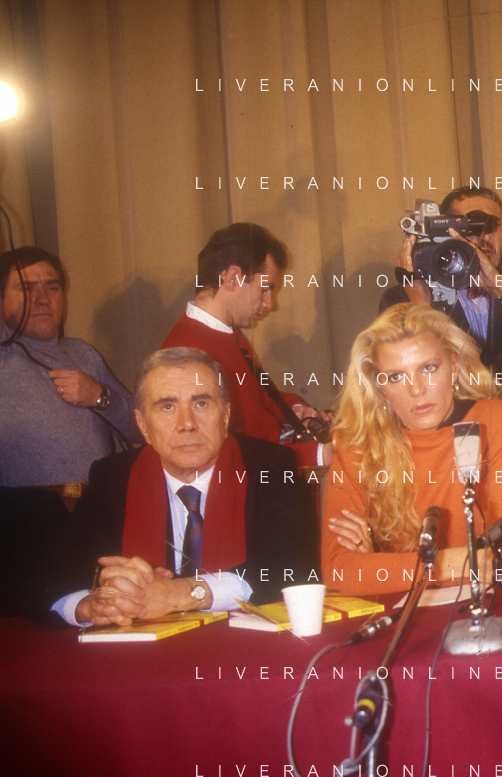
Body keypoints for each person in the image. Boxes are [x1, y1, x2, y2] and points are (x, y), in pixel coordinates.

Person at [40, 347, 319, 627]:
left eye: (201, 404)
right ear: (143, 425)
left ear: (225, 416)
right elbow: (53, 579)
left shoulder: (269, 466)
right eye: (167, 407)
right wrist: (89, 606)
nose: (187, 424)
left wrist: (184, 593)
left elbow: (293, 567)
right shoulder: (114, 477)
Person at [321, 303, 502, 596]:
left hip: (483, 606)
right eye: (395, 376)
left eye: (429, 368)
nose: (416, 389)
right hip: (400, 610)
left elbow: (495, 562)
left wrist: (379, 566)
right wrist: (450, 564)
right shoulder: (356, 442)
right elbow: (338, 570)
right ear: (379, 385)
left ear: (454, 366)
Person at [380, 186, 502, 446]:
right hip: (445, 448)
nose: (482, 236)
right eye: (469, 226)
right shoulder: (404, 297)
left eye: (491, 225)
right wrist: (421, 307)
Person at [162, 223, 329, 467]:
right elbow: (229, 458)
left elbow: (261, 397)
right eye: (265, 289)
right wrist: (318, 454)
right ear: (233, 278)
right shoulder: (187, 357)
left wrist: (295, 409)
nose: (269, 304)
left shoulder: (229, 334)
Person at [0, 247, 140, 487]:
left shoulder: (81, 352)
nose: (43, 299)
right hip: (28, 508)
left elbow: (143, 428)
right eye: (26, 288)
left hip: (96, 502)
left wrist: (100, 397)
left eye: (52, 288)